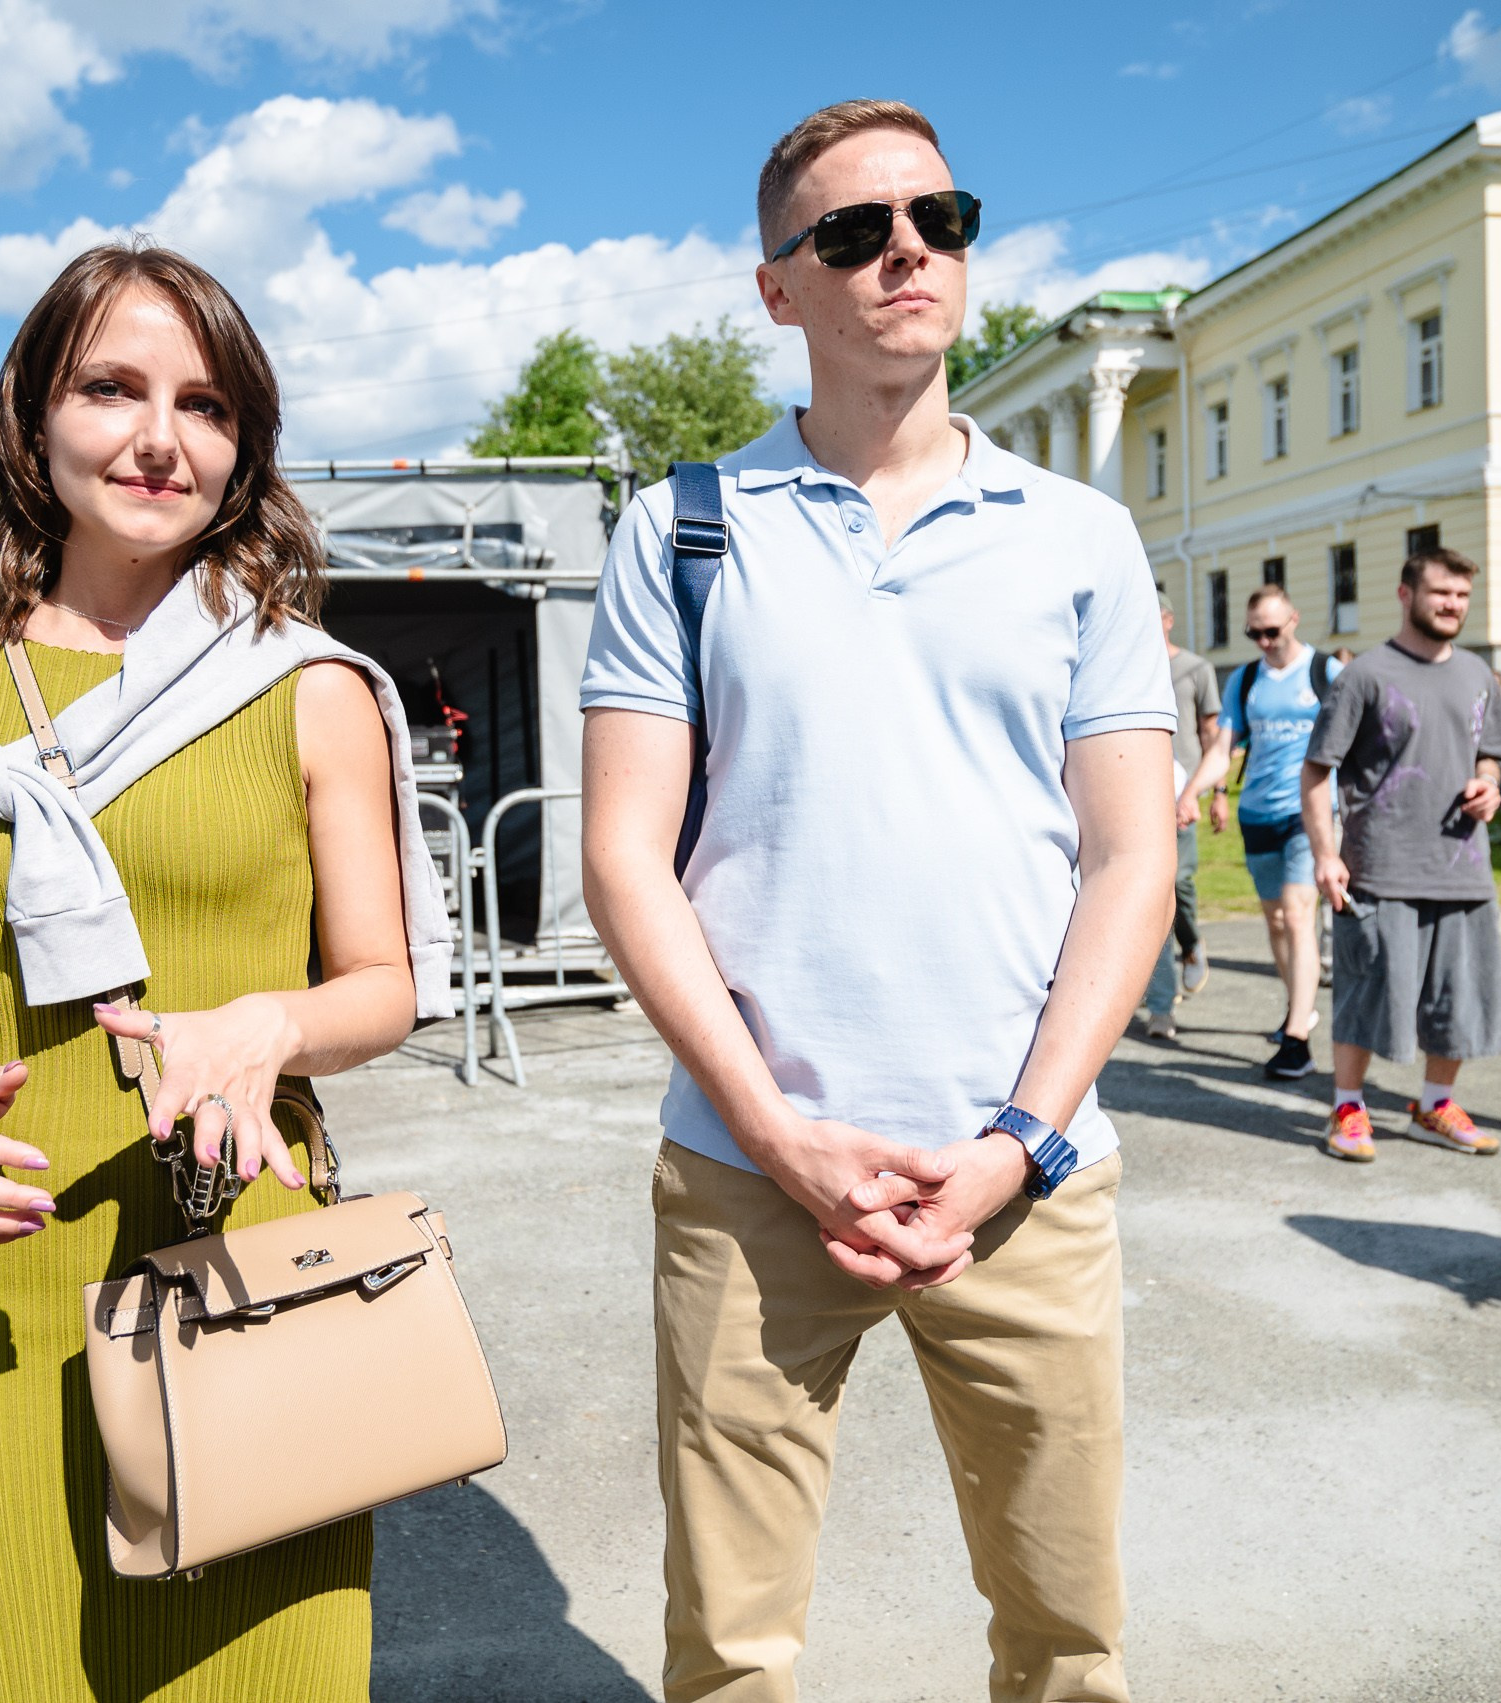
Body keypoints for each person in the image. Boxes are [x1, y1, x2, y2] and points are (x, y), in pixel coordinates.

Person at [580, 99, 1174, 1703]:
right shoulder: (683, 529)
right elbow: (625, 856)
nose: (908, 251)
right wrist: (780, 1132)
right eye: (853, 231)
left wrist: (1018, 1143)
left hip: (1028, 1180)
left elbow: (1133, 855)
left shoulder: (1082, 536)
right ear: (781, 287)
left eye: (941, 217)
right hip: (750, 1178)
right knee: (732, 1647)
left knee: (1069, 1636)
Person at [0, 244, 452, 1700]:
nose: (161, 436)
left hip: (240, 1268)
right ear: (35, 412)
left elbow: (383, 983)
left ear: (244, 449)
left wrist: (268, 1023)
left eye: (206, 404)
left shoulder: (314, 687)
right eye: (112, 386)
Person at [1301, 547, 1501, 1162]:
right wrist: (1325, 853)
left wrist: (1489, 784)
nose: (1453, 605)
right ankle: (1347, 1108)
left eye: (1462, 596)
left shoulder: (1478, 674)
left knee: (1460, 998)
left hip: (1463, 866)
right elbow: (1317, 771)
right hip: (1380, 865)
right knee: (1367, 994)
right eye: (1441, 592)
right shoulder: (1364, 674)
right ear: (1406, 594)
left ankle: (1434, 1106)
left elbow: (1489, 753)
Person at [1216, 585, 1343, 1080]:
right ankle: (1299, 1008)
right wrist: (1196, 792)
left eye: (1271, 630)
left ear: (1293, 619)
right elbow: (1222, 745)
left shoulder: (1327, 672)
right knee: (1275, 922)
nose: (1264, 641)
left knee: (1297, 915)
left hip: (1307, 813)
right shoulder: (1246, 679)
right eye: (1254, 633)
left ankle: (1297, 1039)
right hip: (1257, 813)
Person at [1143, 590, 1227, 1039]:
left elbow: (1213, 735)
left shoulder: (1196, 669)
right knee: (1151, 894)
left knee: (1180, 884)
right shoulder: (1125, 663)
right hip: (1139, 798)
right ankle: (1160, 1005)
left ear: (1168, 620)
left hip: (1183, 797)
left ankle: (1191, 943)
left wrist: (1216, 792)